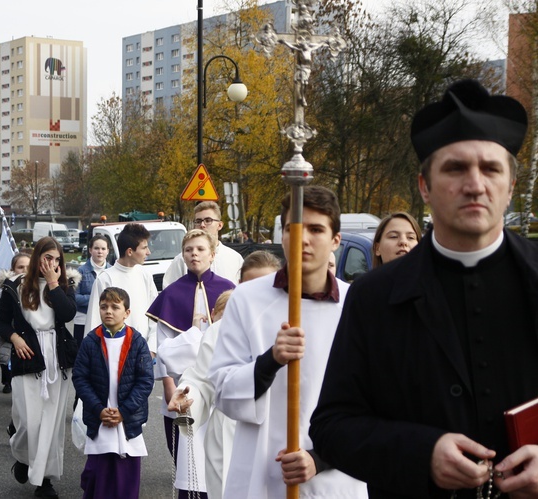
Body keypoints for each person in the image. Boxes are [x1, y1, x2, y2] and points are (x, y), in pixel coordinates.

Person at [309, 80, 538, 498]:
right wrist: (422, 454)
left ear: (510, 187)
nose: (474, 184)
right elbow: (332, 428)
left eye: (491, 169)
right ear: (424, 186)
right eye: (455, 168)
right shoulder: (373, 296)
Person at [209, 186, 367, 498]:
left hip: (335, 477)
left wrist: (319, 459)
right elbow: (223, 390)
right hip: (261, 473)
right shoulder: (247, 299)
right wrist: (270, 361)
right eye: (292, 228)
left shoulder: (357, 305)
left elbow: (373, 403)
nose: (303, 239)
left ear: (336, 240)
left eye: (316, 229)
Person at [167, 250, 282, 499]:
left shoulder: (290, 328)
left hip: (278, 432)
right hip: (228, 434)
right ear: (240, 286)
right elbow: (202, 379)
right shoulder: (221, 330)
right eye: (251, 285)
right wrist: (188, 396)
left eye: (266, 285)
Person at [148, 229, 235, 498]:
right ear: (182, 256)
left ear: (212, 253)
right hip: (183, 387)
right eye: (188, 250)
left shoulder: (230, 290)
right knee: (189, 461)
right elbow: (164, 348)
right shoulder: (171, 293)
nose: (194, 254)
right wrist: (168, 385)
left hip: (222, 388)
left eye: (199, 249)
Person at [0, 237, 77, 499]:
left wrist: (53, 284)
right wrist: (15, 338)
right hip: (27, 357)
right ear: (37, 258)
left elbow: (67, 314)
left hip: (56, 359)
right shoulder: (15, 287)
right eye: (46, 258)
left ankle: (45, 481)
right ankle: (22, 456)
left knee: (51, 425)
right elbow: (1, 323)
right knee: (28, 422)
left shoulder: (63, 286)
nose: (51, 263)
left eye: (56, 259)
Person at [73, 287, 155, 499]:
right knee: (97, 474)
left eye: (115, 307)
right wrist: (99, 410)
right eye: (104, 307)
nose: (108, 311)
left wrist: (124, 412)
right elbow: (80, 378)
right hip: (99, 417)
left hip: (127, 420)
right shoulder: (91, 341)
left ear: (127, 312)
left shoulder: (137, 342)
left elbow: (145, 381)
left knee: (125, 475)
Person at [84, 224, 158, 353]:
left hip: (143, 352)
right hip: (113, 353)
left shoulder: (145, 275)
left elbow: (155, 314)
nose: (148, 252)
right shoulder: (105, 278)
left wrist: (151, 349)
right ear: (130, 251)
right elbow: (94, 321)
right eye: (144, 247)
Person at [163, 201, 244, 287]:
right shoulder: (181, 260)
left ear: (219, 225)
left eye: (208, 220)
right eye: (198, 221)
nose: (202, 225)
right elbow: (170, 291)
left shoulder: (234, 258)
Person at [0, 252, 31, 395]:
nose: (25, 271)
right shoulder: (3, 294)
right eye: (20, 267)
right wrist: (11, 336)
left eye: (28, 267)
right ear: (13, 270)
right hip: (12, 350)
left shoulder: (40, 293)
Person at [74, 235, 110, 348]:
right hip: (83, 320)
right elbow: (75, 297)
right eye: (96, 248)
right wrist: (96, 298)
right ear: (90, 250)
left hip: (106, 321)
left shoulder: (112, 271)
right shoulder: (80, 272)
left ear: (108, 251)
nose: (100, 252)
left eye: (103, 249)